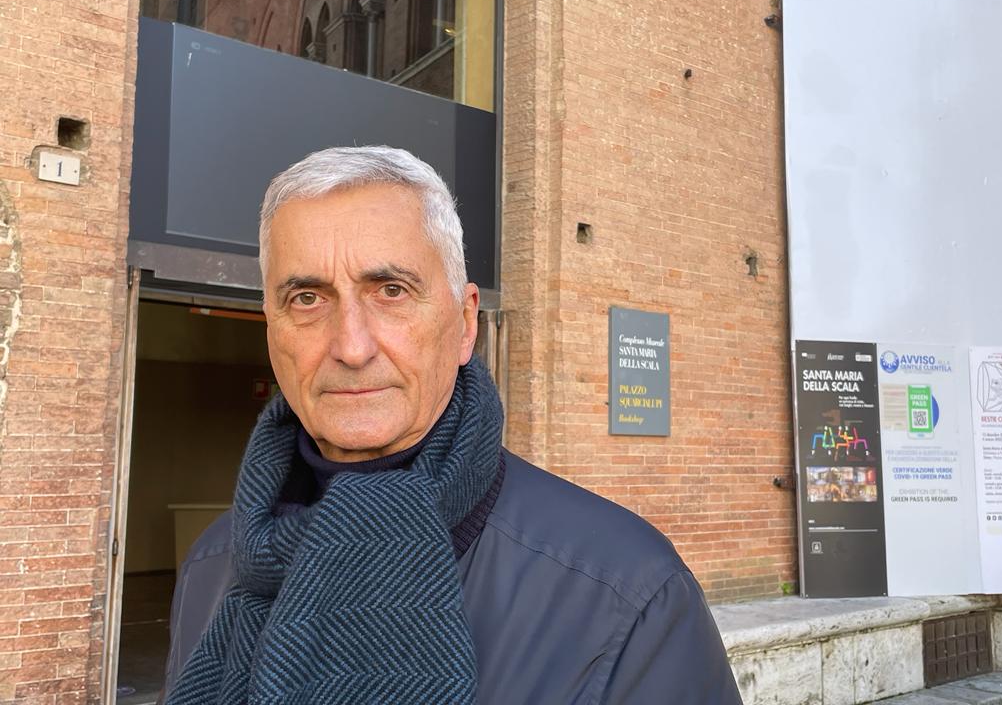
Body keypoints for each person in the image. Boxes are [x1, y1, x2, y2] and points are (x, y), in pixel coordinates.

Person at [162, 146, 742, 704]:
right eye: (308, 299)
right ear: (272, 329)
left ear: (465, 324)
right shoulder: (213, 567)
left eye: (391, 291)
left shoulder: (627, 591)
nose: (351, 347)